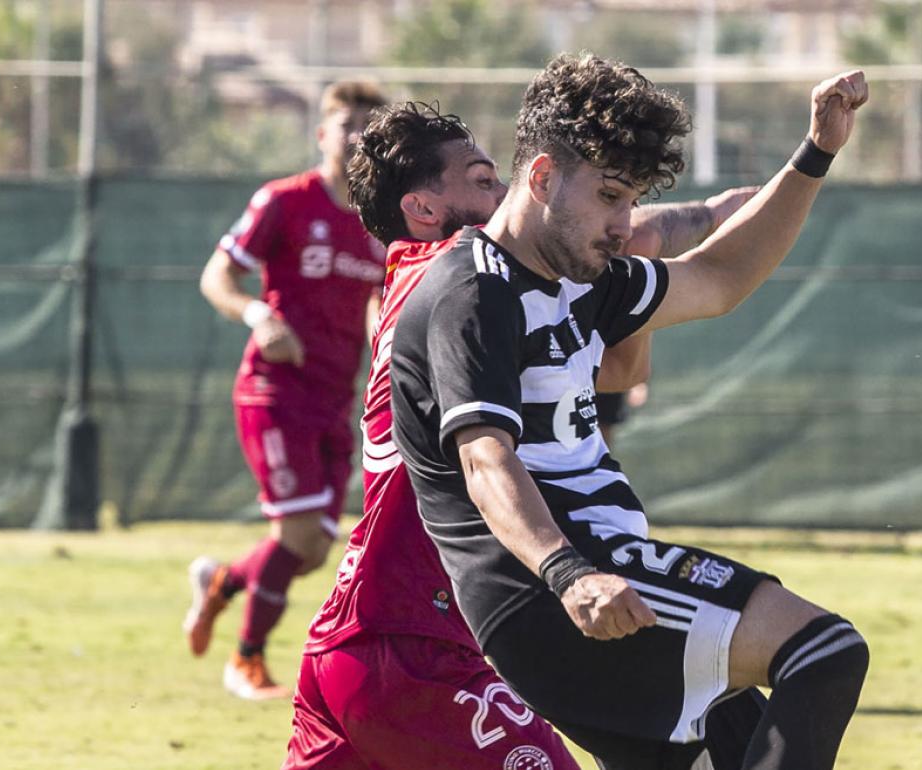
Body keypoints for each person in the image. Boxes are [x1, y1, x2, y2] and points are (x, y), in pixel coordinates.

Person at [387, 53, 870, 770]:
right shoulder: (473, 290)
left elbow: (718, 278)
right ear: (543, 176)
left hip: (600, 583)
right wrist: (568, 573)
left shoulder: (583, 280)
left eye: (633, 198)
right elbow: (485, 457)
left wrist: (818, 150)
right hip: (552, 590)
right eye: (611, 195)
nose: (624, 223)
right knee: (824, 651)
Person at [282, 99, 764, 770]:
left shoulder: (433, 286)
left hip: (358, 643)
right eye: (483, 180)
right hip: (415, 649)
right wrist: (716, 214)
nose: (507, 193)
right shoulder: (460, 279)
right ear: (424, 209)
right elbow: (626, 238)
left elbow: (614, 350)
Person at [185, 80, 388, 700]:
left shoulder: (383, 222)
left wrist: (390, 348)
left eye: (368, 128)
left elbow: (380, 302)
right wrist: (258, 316)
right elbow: (217, 274)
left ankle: (220, 583)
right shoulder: (285, 201)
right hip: (273, 393)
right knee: (298, 536)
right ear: (323, 133)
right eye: (346, 124)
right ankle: (246, 659)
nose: (357, 137)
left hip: (334, 399)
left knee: (308, 552)